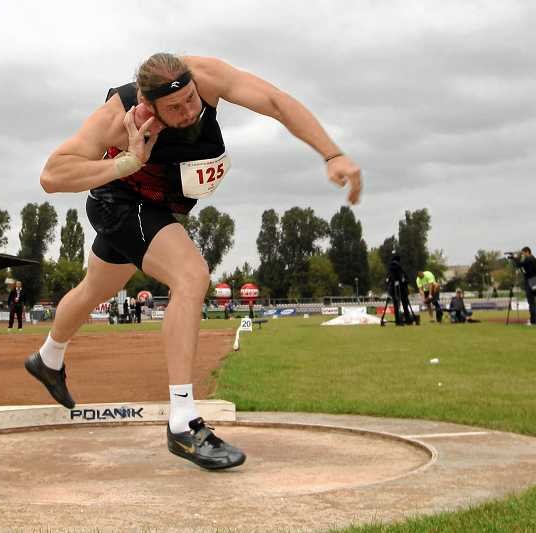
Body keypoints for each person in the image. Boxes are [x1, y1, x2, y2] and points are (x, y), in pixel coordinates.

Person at [24, 53, 361, 470]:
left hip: (160, 208)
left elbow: (275, 101)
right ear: (149, 107)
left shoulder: (205, 77)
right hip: (121, 203)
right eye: (174, 109)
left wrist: (331, 154)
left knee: (97, 288)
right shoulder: (118, 117)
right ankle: (183, 422)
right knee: (191, 276)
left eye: (190, 100)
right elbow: (52, 175)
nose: (188, 112)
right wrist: (126, 162)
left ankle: (48, 357)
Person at [513, 247, 536, 326]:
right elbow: (523, 268)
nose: (523, 255)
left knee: (531, 301)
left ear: (527, 252)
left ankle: (533, 320)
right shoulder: (533, 258)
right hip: (534, 280)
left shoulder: (528, 259)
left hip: (530, 281)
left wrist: (515, 259)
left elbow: (519, 265)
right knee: (533, 301)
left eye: (523, 253)